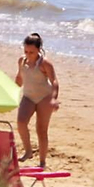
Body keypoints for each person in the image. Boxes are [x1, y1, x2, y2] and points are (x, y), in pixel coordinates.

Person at [14, 33, 60, 167]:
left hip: (44, 97)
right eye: (26, 51)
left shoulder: (45, 63)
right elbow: (19, 78)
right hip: (28, 96)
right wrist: (11, 91)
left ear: (39, 50)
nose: (28, 55)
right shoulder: (22, 61)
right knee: (21, 122)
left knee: (41, 130)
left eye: (32, 52)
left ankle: (42, 162)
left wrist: (54, 99)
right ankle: (28, 151)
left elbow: (54, 81)